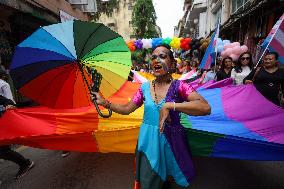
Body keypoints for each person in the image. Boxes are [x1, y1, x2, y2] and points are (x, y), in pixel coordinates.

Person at [93, 44, 211, 189]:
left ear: (172, 63)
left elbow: (205, 107)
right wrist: (105, 102)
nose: (156, 60)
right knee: (148, 182)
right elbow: (127, 109)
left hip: (172, 141)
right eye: (153, 57)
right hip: (148, 141)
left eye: (162, 56)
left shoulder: (180, 86)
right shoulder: (144, 88)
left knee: (170, 178)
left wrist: (170, 105)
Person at [0, 70, 35, 179]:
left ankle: (25, 163)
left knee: (3, 150)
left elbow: (8, 101)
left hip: (4, 116)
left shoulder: (3, 84)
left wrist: (8, 105)